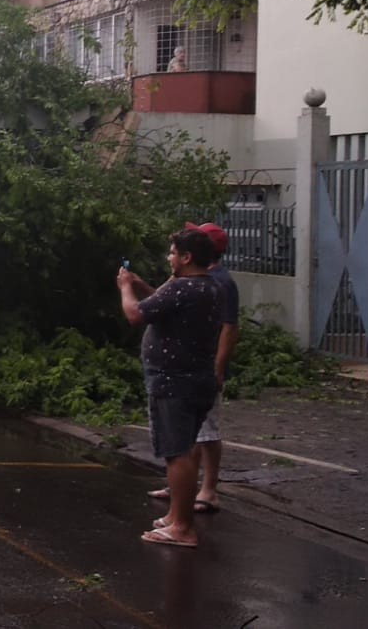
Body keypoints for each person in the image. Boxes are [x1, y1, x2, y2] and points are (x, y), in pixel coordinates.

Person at [117, 228, 222, 547]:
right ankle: (177, 515)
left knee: (177, 453)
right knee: (184, 449)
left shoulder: (182, 287)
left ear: (187, 257)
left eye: (173, 253)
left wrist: (125, 288)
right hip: (198, 379)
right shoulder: (209, 286)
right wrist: (142, 286)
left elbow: (136, 314)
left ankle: (183, 528)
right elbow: (164, 304)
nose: (169, 258)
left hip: (174, 381)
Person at [146, 222, 239, 513]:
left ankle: (207, 490)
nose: (170, 256)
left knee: (204, 433)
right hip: (187, 371)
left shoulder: (217, 283)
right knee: (189, 436)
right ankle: (182, 487)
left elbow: (229, 328)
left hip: (196, 372)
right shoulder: (190, 281)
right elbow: (162, 304)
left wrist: (218, 368)